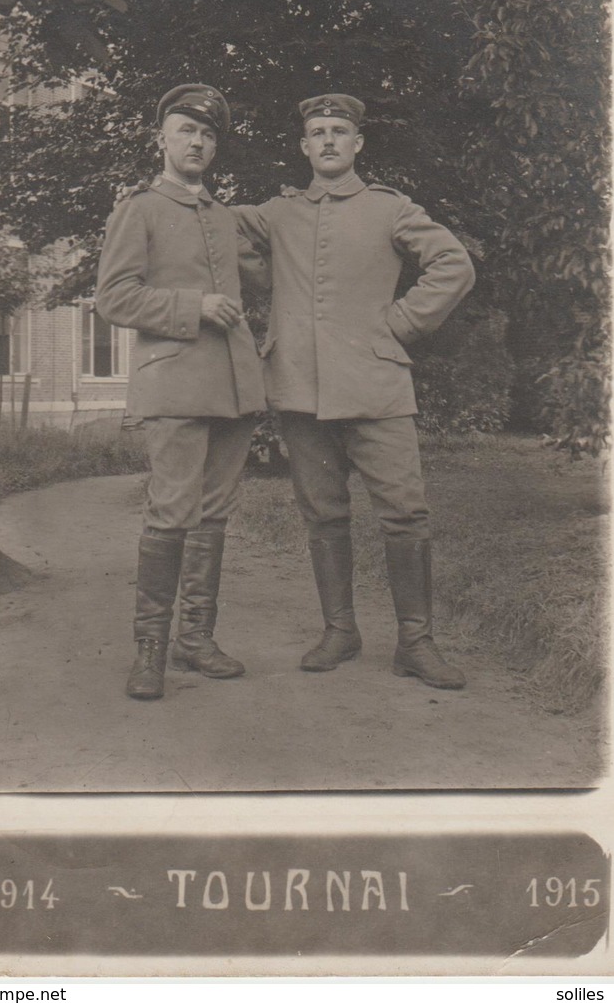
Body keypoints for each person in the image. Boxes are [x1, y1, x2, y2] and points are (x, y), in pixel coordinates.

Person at [235, 93, 476, 689]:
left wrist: (400, 324)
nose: (328, 141)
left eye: (339, 130)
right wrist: (267, 282)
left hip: (377, 384)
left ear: (358, 142)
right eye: (317, 131)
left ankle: (416, 643)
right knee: (322, 515)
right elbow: (214, 234)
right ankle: (340, 630)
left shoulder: (389, 208)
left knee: (406, 514)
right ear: (303, 146)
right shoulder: (277, 214)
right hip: (299, 389)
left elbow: (454, 263)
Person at [95, 84, 268, 700]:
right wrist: (192, 306)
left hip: (233, 387)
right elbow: (113, 298)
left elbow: (272, 274)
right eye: (186, 130)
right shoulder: (138, 209)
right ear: (161, 139)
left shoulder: (223, 215)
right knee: (171, 513)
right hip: (173, 381)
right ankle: (151, 651)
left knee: (213, 516)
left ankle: (196, 639)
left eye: (208, 134)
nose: (197, 142)